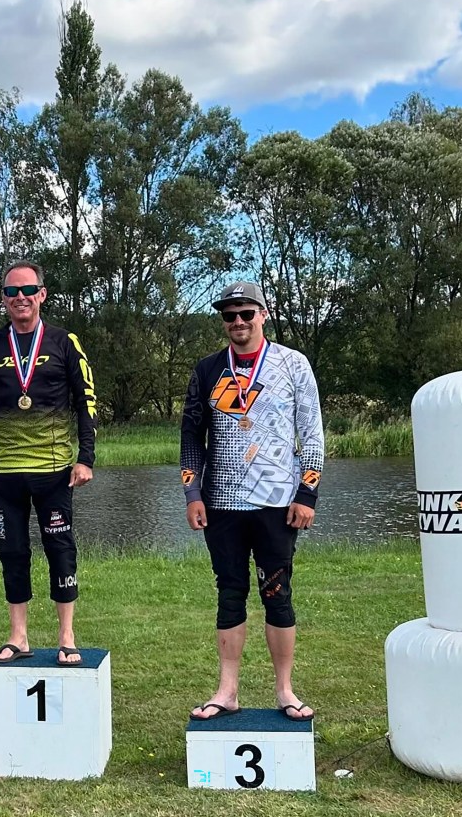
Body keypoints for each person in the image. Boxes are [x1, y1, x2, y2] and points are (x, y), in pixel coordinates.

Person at [180, 281, 324, 721]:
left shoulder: (292, 364)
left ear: (264, 313)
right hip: (222, 501)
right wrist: (192, 492)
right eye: (229, 315)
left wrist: (307, 492)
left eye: (246, 313)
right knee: (230, 593)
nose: (238, 322)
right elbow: (190, 437)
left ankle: (285, 690)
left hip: (278, 501)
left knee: (277, 593)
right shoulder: (207, 370)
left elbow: (313, 433)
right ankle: (227, 691)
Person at [0, 260, 97, 665]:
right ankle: (18, 636)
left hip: (54, 469)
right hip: (3, 471)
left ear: (42, 294)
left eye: (27, 290)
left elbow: (86, 402)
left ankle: (66, 635)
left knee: (60, 548)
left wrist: (85, 458)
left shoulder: (63, 342)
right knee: (13, 552)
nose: (19, 298)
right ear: (3, 299)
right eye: (11, 292)